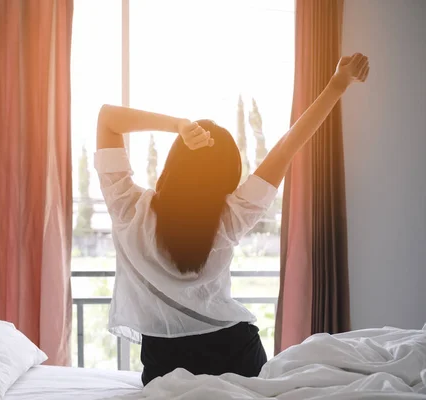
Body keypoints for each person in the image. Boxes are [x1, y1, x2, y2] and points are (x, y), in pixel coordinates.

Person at [94, 53, 369, 385]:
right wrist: (337, 84)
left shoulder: (128, 207)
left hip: (163, 364)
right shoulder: (232, 215)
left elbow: (108, 117)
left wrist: (180, 126)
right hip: (237, 352)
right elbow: (287, 146)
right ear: (226, 175)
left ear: (173, 164)